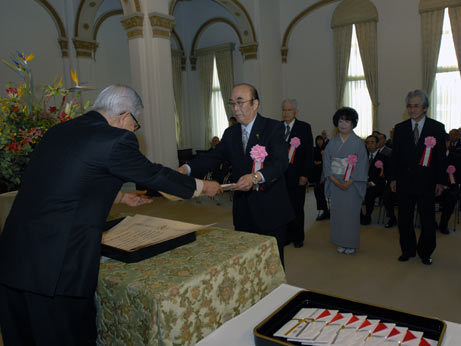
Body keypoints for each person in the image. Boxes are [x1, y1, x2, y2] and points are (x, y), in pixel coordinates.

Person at [0, 84, 221, 346]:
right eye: (135, 125)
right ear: (126, 116)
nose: (133, 131)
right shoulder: (115, 138)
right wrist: (202, 187)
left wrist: (119, 196)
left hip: (13, 261)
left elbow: (62, 182)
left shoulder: (60, 131)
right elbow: (154, 174)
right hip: (56, 271)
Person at [178, 83, 294, 265]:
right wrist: (186, 169)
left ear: (255, 104)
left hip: (270, 208)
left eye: (240, 102)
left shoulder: (273, 128)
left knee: (273, 264)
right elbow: (213, 157)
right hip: (243, 209)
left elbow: (280, 163)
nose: (236, 109)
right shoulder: (230, 133)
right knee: (247, 262)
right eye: (232, 104)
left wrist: (255, 177)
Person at [390, 89, 446, 265]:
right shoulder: (399, 129)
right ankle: (407, 250)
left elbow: (441, 158)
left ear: (425, 107)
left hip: (427, 183)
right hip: (405, 182)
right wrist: (393, 179)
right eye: (409, 106)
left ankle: (425, 252)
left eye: (416, 105)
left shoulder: (437, 127)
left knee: (427, 220)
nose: (412, 109)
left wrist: (440, 181)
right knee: (404, 219)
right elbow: (395, 157)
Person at [323, 107, 368, 255]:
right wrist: (333, 179)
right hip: (336, 181)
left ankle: (351, 243)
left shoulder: (359, 143)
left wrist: (351, 181)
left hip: (352, 184)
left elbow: (362, 164)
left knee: (351, 215)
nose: (343, 124)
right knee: (338, 214)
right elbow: (327, 162)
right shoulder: (331, 143)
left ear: (353, 123)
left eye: (347, 121)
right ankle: (341, 241)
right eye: (341, 120)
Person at [281, 98, 313, 248]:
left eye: (289, 110)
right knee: (283, 207)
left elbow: (309, 154)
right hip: (280, 177)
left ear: (296, 111)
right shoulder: (277, 127)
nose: (286, 113)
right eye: (284, 110)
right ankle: (287, 235)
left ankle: (298, 237)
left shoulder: (304, 127)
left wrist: (305, 174)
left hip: (297, 175)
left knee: (297, 207)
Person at [361, 135, 388, 225]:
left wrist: (371, 183)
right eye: (367, 142)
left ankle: (368, 216)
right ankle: (360, 215)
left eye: (372, 142)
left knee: (370, 193)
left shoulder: (383, 157)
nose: (369, 145)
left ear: (377, 144)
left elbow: (384, 175)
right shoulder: (363, 156)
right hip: (363, 183)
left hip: (377, 184)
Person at [437, 134, 461, 234]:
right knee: (422, 195)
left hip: (450, 186)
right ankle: (431, 223)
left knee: (451, 197)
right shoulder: (432, 156)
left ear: (448, 143)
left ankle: (443, 224)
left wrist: (446, 185)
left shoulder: (456, 157)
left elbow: (459, 176)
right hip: (434, 186)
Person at [312, 135, 330, 220]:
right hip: (317, 174)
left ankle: (327, 210)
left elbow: (326, 162)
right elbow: (313, 161)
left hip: (327, 174)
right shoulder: (314, 149)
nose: (319, 142)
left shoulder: (326, 148)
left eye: (321, 140)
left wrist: (320, 163)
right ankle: (323, 209)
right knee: (318, 190)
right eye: (317, 140)